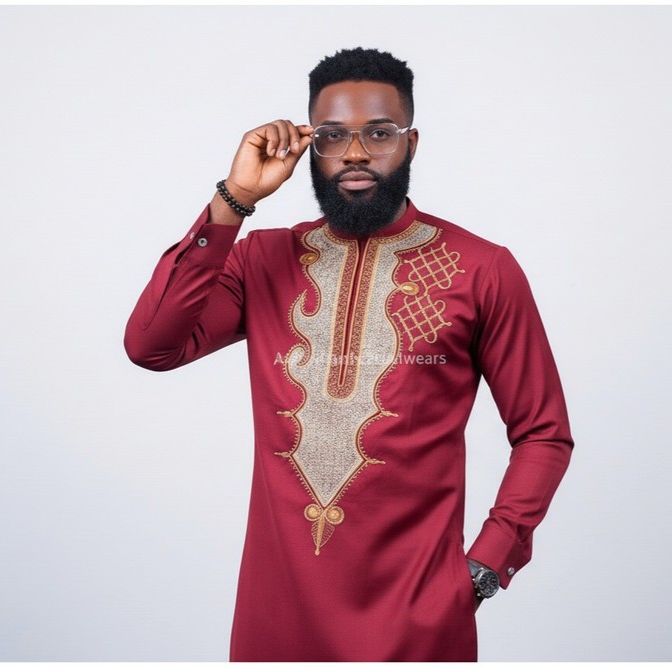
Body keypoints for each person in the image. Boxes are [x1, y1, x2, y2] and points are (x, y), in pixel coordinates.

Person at [124, 47, 573, 662]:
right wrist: (233, 199)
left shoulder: (481, 269)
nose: (355, 153)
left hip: (418, 622)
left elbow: (543, 433)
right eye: (332, 136)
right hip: (275, 618)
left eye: (379, 134)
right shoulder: (262, 260)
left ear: (411, 144)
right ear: (310, 145)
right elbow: (151, 345)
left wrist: (487, 564)